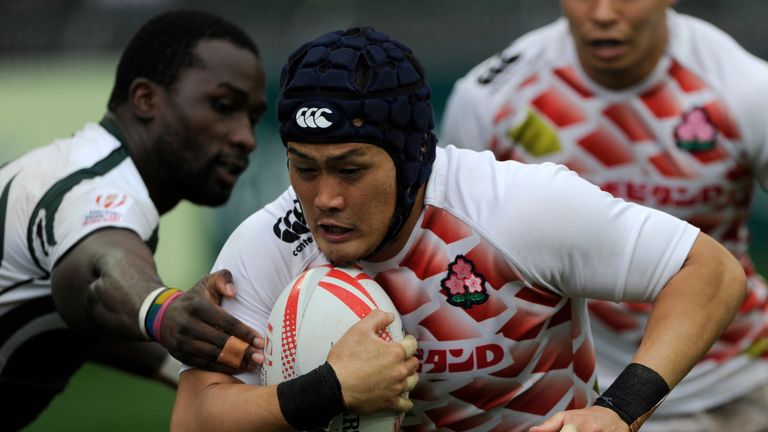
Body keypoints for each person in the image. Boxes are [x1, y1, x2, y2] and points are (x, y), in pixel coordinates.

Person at [171, 26, 745, 432]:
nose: (325, 198)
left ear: (415, 157)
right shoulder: (271, 243)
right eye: (304, 167)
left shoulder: (515, 207)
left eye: (351, 169)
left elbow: (708, 271)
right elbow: (194, 418)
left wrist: (618, 410)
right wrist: (327, 391)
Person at [441, 0, 768, 430]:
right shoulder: (490, 97)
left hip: (731, 383)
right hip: (571, 398)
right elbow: (453, 241)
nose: (603, 12)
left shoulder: (747, 89)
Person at [0, 9, 269, 430]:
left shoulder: (80, 167)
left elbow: (79, 315)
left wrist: (179, 367)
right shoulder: (98, 190)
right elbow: (99, 274)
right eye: (223, 106)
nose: (246, 137)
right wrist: (162, 309)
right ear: (146, 99)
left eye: (252, 117)